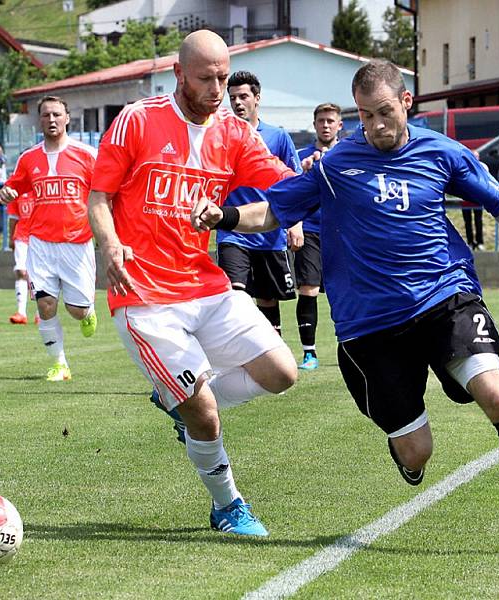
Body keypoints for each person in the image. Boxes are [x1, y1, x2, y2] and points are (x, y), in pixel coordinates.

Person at [193, 59, 499, 558]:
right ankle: (408, 455)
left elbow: (498, 202)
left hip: (445, 300)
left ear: (406, 103)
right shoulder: (335, 166)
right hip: (371, 328)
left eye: (384, 112)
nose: (375, 126)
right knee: (417, 451)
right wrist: (223, 215)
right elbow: (274, 208)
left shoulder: (441, 152)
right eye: (364, 116)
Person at [87, 30, 298, 537]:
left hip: (205, 285)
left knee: (282, 372)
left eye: (224, 78)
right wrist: (110, 246)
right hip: (144, 297)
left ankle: (177, 400)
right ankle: (228, 505)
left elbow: (285, 190)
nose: (217, 89)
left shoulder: (234, 133)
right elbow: (98, 197)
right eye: (206, 78)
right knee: (203, 411)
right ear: (179, 73)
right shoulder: (137, 120)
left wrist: (305, 194)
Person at [0, 96, 98, 382]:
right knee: (44, 305)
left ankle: (88, 311)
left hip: (77, 243)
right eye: (45, 115)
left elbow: (106, 191)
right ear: (39, 120)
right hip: (40, 243)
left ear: (67, 118)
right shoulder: (29, 158)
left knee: (77, 311)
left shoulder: (87, 155)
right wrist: (7, 192)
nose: (51, 120)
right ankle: (60, 364)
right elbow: (13, 186)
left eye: (56, 114)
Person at [217, 70, 302, 338]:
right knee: (236, 295)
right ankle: (240, 354)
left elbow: (294, 184)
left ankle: (271, 349)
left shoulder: (277, 137)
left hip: (269, 232)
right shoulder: (220, 135)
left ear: (257, 98)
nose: (238, 103)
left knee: (267, 299)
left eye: (243, 96)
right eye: (232, 98)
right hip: (232, 231)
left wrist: (296, 223)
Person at [294, 102, 343, 369]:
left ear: (339, 125)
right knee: (308, 288)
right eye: (321, 120)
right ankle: (309, 353)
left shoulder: (349, 155)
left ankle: (349, 346)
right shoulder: (302, 157)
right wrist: (296, 223)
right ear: (314, 124)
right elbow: (294, 192)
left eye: (330, 120)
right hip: (310, 230)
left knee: (346, 290)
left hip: (343, 232)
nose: (325, 125)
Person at [6, 192, 35, 324]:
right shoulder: (16, 191)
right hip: (21, 236)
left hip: (38, 236)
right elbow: (13, 217)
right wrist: (11, 237)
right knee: (20, 271)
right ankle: (21, 312)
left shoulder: (39, 185)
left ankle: (40, 314)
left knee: (38, 275)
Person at [460, 150, 488, 251]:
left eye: (477, 156)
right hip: (465, 198)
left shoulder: (483, 167)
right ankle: (470, 242)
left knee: (478, 221)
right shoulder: (463, 166)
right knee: (467, 222)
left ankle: (480, 242)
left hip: (477, 198)